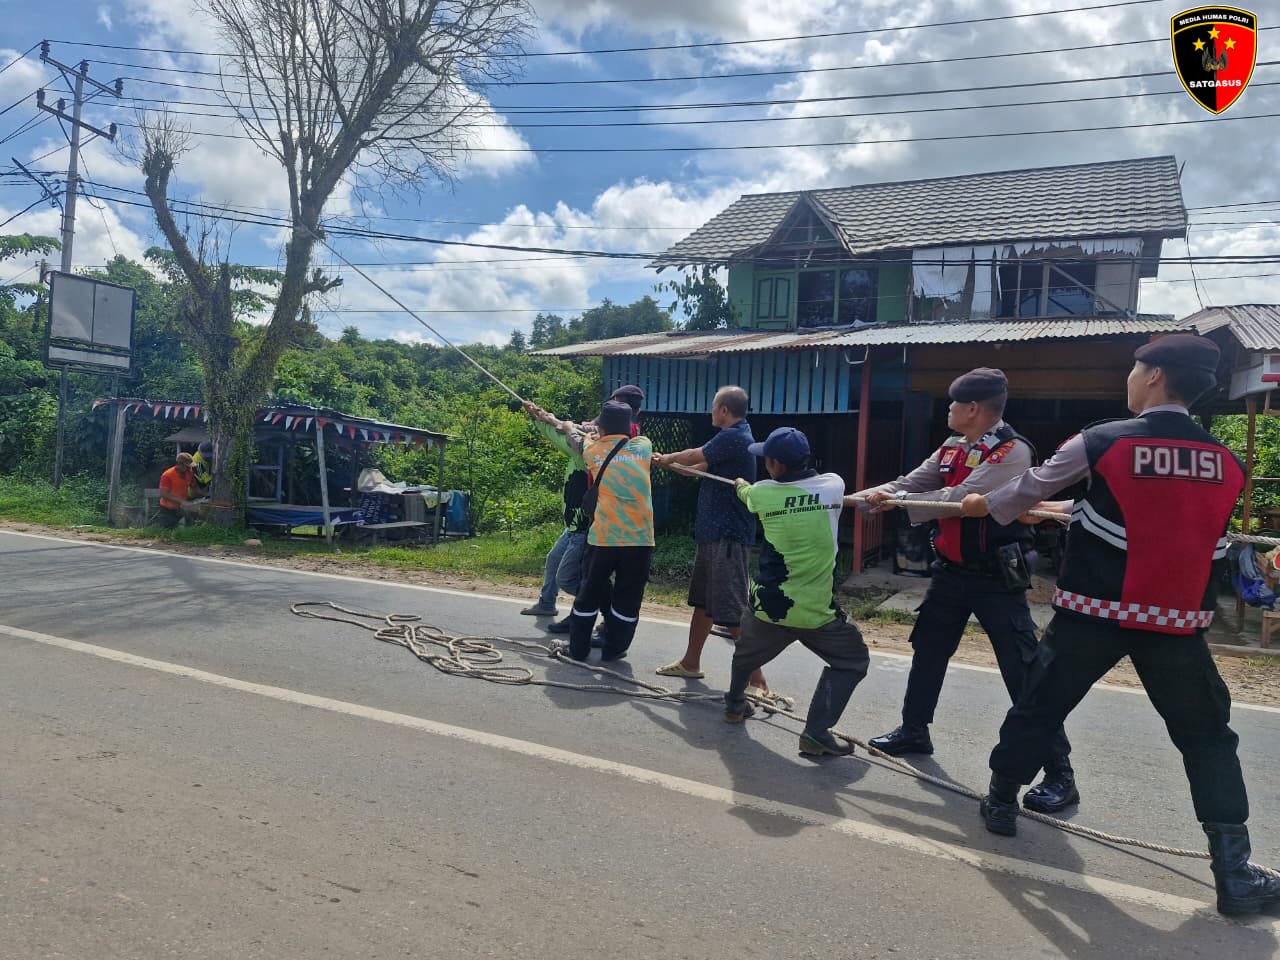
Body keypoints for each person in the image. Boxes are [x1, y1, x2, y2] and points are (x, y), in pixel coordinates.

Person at [961, 335, 1280, 916]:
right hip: (1177, 624)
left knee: (1039, 707)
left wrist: (986, 504)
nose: (1129, 378)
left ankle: (1002, 801)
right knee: (1208, 738)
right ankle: (1233, 871)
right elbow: (1167, 519)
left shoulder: (1103, 440)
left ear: (1154, 375)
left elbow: (1030, 488)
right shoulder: (1227, 462)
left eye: (1135, 368)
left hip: (1093, 613)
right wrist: (1071, 510)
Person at [850, 367, 1078, 814]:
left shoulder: (1012, 451)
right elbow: (915, 480)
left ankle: (1060, 771)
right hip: (951, 572)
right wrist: (873, 495)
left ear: (973, 409)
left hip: (996, 578)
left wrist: (895, 501)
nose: (949, 410)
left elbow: (959, 498)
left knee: (1022, 670)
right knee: (928, 649)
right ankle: (914, 730)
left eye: (954, 404)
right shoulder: (954, 445)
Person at [725, 427, 871, 758]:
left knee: (746, 654)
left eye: (766, 460)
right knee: (852, 661)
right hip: (815, 611)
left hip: (769, 606)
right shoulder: (834, 485)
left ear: (776, 464)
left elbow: (745, 493)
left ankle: (734, 705)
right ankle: (816, 734)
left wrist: (740, 484)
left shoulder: (762, 493)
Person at [651, 385, 774, 696]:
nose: (711, 411)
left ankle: (758, 680)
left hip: (727, 535)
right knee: (704, 603)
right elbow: (696, 468)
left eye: (713, 406)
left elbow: (695, 455)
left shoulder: (734, 436)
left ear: (724, 410)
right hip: (712, 534)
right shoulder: (730, 439)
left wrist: (669, 457)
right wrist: (666, 463)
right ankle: (691, 662)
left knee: (731, 610)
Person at [563, 400, 655, 662]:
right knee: (628, 597)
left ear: (601, 428)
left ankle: (578, 650)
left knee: (588, 593)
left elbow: (575, 439)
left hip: (603, 538)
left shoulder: (593, 451)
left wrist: (569, 427)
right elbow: (632, 439)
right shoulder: (643, 446)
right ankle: (614, 649)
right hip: (640, 540)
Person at [519, 402, 591, 626]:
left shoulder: (584, 454)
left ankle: (589, 608)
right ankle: (547, 603)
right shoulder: (582, 448)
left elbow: (558, 436)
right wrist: (541, 417)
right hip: (572, 527)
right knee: (553, 560)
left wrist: (540, 421)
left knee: (568, 578)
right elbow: (561, 429)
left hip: (581, 528)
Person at [156, 452, 196, 528]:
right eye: (187, 466)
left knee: (189, 528)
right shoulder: (167, 475)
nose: (189, 468)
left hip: (182, 508)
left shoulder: (189, 473)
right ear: (179, 464)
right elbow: (163, 494)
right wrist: (181, 501)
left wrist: (204, 495)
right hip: (168, 509)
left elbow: (194, 486)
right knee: (168, 530)